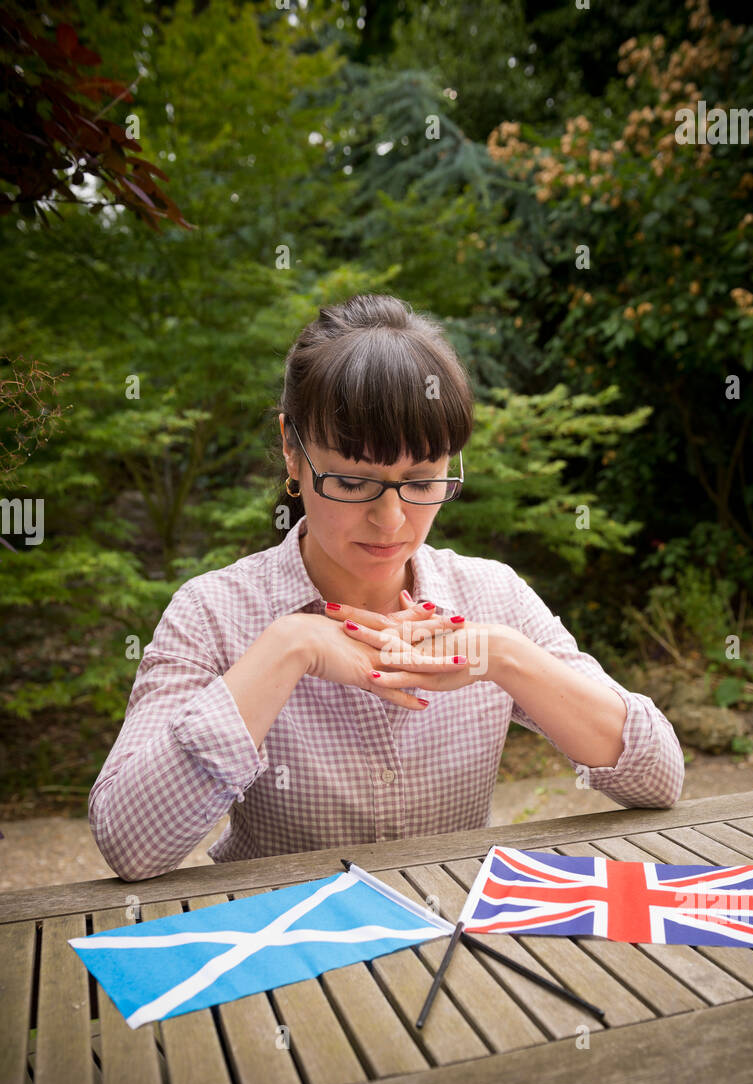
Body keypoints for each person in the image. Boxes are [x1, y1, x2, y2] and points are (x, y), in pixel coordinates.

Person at [89, 293, 683, 882]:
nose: (393, 521)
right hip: (289, 954)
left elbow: (658, 778)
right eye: (353, 480)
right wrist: (288, 648)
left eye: (422, 480)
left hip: (454, 951)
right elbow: (127, 844)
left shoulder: (490, 596)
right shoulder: (214, 613)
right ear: (293, 452)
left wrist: (501, 656)